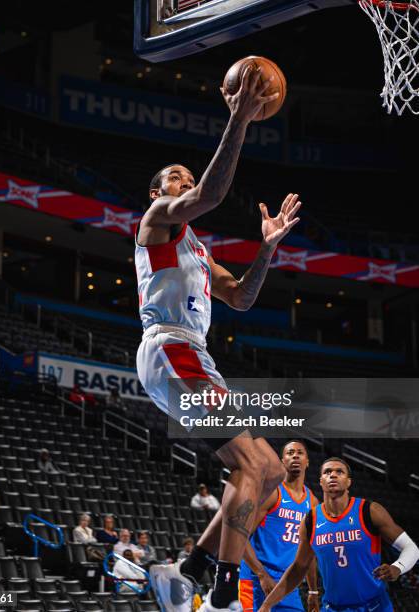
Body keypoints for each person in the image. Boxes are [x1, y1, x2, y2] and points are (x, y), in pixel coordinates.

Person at [136, 63, 301, 612]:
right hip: (170, 346)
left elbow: (244, 298)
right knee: (250, 467)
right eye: (176, 176)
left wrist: (268, 249)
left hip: (193, 356)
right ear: (157, 191)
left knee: (273, 472)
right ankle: (225, 590)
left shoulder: (199, 254)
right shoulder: (158, 220)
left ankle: (194, 563)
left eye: (185, 175)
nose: (183, 180)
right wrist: (240, 119)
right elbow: (208, 194)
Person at [259, 458, 419, 612]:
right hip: (334, 607)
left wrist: (398, 567)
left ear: (349, 481)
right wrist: (267, 605)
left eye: (339, 472)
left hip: (375, 605)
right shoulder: (310, 521)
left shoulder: (369, 510)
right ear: (321, 481)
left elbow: (411, 548)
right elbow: (298, 569)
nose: (333, 475)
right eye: (327, 472)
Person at [239, 440, 319, 612]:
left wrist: (313, 590)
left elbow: (309, 554)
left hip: (288, 583)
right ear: (282, 461)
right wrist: (261, 574)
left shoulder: (312, 503)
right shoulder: (272, 493)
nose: (295, 455)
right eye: (290, 453)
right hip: (256, 578)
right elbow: (240, 537)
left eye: (300, 452)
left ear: (307, 461)